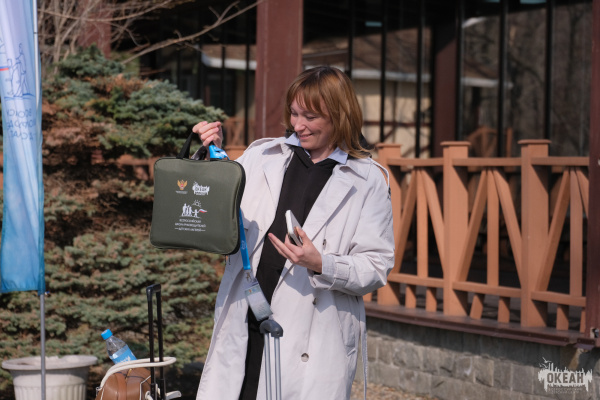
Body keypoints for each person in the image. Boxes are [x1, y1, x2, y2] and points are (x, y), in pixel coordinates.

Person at [192, 66, 394, 400]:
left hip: (312, 341)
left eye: (310, 117)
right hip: (246, 322)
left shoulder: (368, 180)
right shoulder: (262, 156)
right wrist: (211, 155)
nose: (298, 125)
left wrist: (321, 263)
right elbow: (217, 214)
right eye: (294, 113)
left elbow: (376, 266)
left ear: (340, 115)